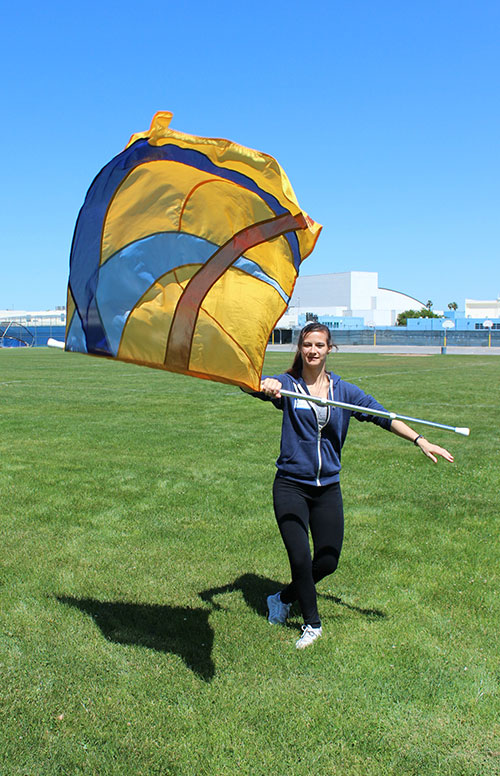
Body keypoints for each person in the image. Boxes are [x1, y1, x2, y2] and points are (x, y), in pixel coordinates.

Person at [248, 323, 454, 649]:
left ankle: (282, 597)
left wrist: (420, 440)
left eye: (319, 345)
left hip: (327, 486)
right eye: (307, 345)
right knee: (301, 557)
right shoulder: (288, 385)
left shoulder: (344, 392)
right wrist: (264, 385)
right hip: (290, 485)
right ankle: (312, 624)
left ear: (330, 349)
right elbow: (251, 387)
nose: (313, 350)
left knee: (328, 560)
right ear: (300, 349)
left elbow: (384, 416)